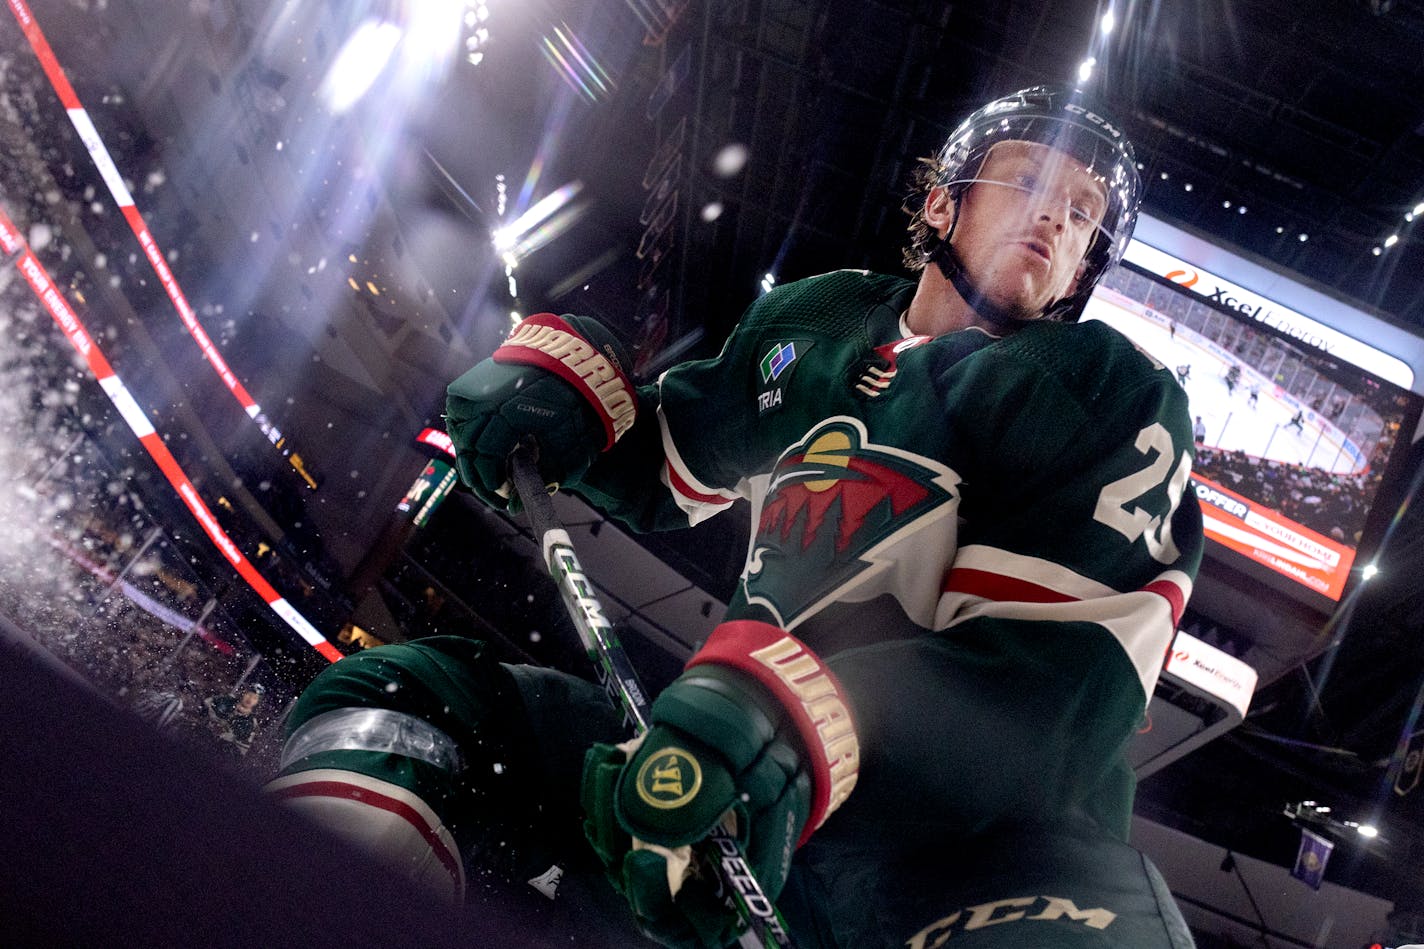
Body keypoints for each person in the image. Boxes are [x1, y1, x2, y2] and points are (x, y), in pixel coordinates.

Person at [267, 86, 1203, 947]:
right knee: (411, 706)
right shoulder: (817, 324)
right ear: (939, 202)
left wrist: (797, 725)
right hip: (728, 777)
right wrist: (582, 413)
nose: (1058, 215)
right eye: (1033, 178)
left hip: (953, 867)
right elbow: (674, 461)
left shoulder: (1104, 394)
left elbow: (1053, 690)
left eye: (1084, 213)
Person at [205, 684, 263, 757]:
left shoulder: (250, 723)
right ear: (244, 693)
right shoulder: (225, 700)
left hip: (217, 752)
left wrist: (224, 738)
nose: (250, 699)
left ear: (257, 702)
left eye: (255, 698)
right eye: (249, 694)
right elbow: (203, 707)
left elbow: (240, 750)